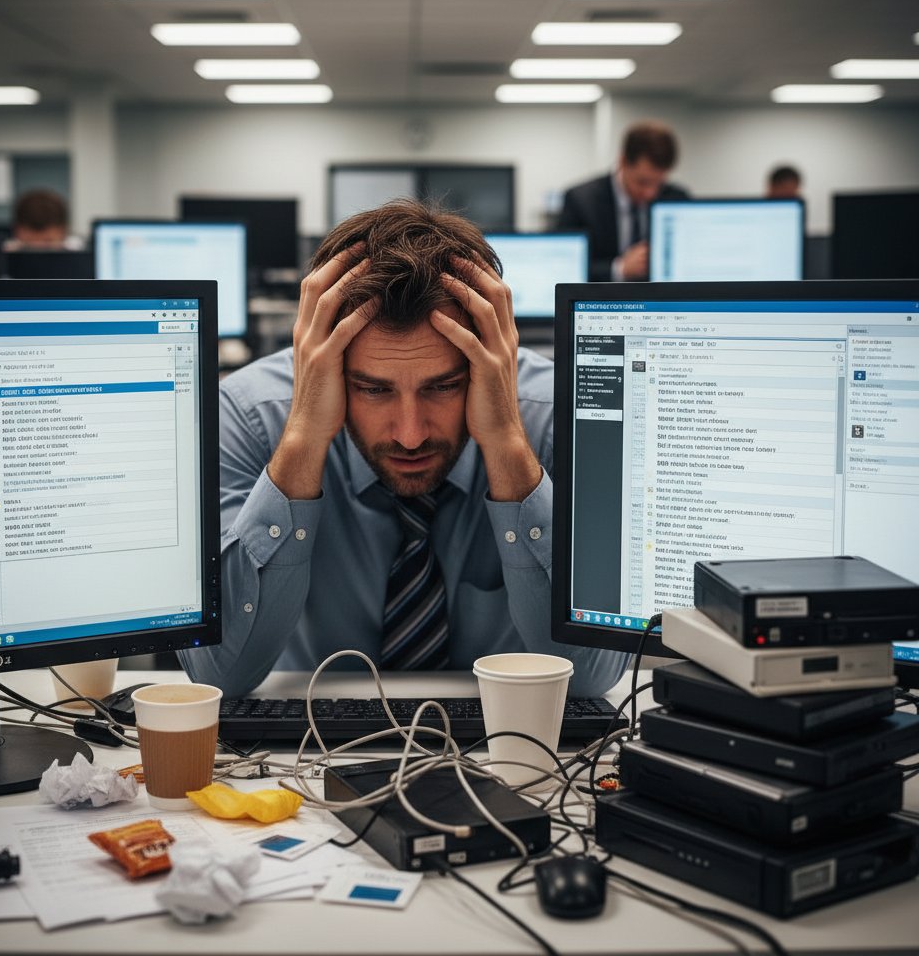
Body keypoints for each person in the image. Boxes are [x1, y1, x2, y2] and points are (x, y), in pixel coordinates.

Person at [180, 199, 628, 698]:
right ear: (326, 367)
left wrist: (506, 445)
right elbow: (217, 674)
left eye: (443, 386)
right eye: (374, 389)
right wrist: (303, 435)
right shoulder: (249, 416)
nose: (410, 434)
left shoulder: (560, 419)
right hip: (301, 752)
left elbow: (591, 678)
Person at [556, 121, 689, 282]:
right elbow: (564, 266)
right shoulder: (581, 200)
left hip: (661, 303)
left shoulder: (677, 199)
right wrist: (619, 268)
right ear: (623, 161)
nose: (650, 193)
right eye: (642, 182)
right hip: (601, 302)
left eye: (658, 184)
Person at [4, 188, 81, 250]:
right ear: (16, 232)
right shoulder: (1, 258)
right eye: (29, 245)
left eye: (47, 242)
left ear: (63, 232)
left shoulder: (83, 257)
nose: (38, 250)